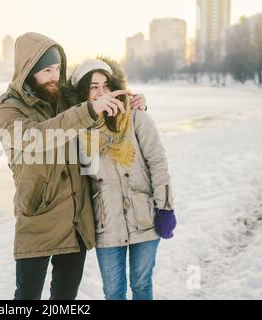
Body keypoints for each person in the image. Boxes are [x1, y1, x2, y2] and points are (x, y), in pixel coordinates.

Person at [0, 33, 147, 300]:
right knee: (26, 299)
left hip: (76, 219)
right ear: (28, 70)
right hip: (39, 217)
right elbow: (37, 137)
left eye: (58, 69)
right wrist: (88, 109)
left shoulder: (66, 99)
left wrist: (131, 108)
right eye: (47, 70)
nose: (54, 76)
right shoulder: (6, 110)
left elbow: (103, 116)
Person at [65, 58, 177, 300]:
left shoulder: (137, 118)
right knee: (113, 292)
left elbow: (158, 163)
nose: (102, 92)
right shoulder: (79, 131)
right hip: (106, 224)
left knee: (142, 286)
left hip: (144, 218)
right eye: (94, 86)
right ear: (83, 91)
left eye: (106, 85)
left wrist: (165, 208)